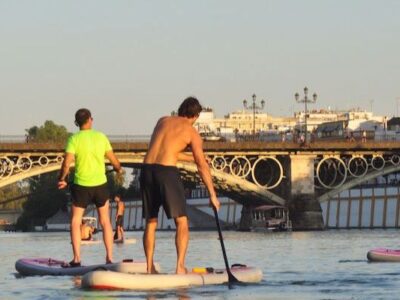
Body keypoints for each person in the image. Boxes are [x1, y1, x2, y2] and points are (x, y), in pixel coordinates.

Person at [140, 96, 221, 274]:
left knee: (151, 222)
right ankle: (179, 267)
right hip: (167, 174)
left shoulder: (162, 121)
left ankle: (149, 267)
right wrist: (212, 195)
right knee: (182, 221)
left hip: (146, 170)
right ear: (196, 116)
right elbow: (202, 166)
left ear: (180, 110)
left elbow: (168, 152)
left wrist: (192, 157)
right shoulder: (192, 133)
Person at [58, 108, 123, 267]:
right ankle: (109, 258)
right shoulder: (101, 137)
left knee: (75, 221)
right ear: (90, 120)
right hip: (100, 185)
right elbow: (114, 161)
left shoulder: (73, 139)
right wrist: (118, 168)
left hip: (81, 186)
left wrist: (62, 179)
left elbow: (67, 163)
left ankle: (77, 259)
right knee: (105, 221)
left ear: (77, 123)